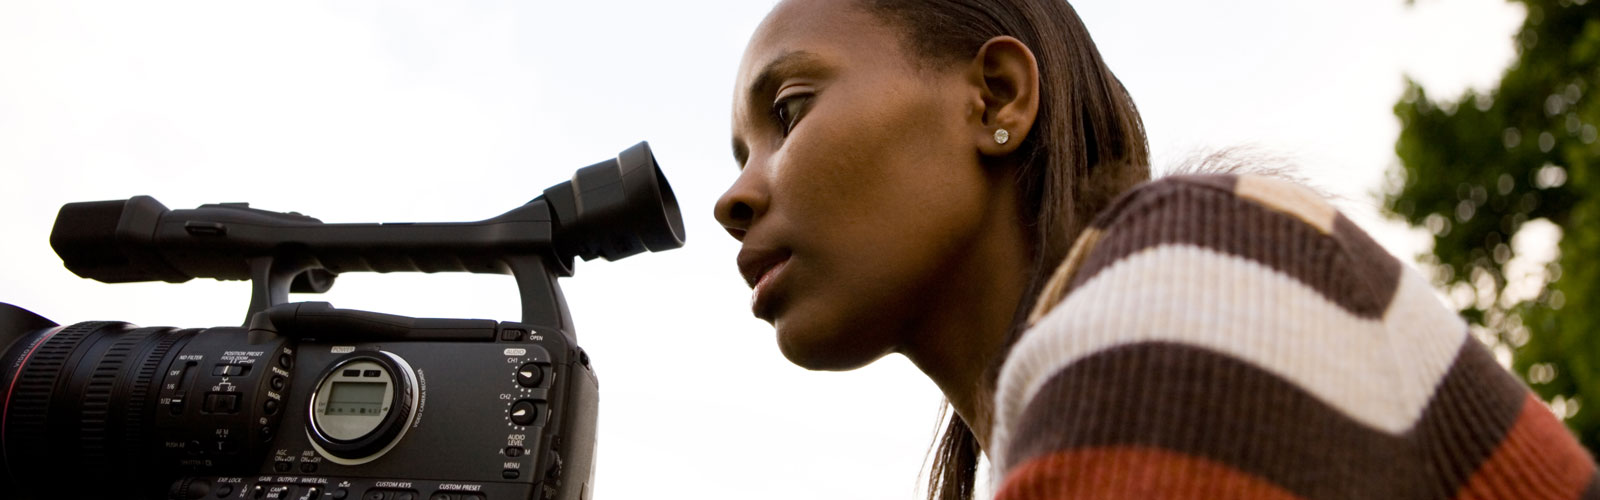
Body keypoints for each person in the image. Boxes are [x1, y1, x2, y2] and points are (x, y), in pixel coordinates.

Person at [713, 0, 1600, 498]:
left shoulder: (1189, 278)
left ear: (996, 98)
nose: (736, 196)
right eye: (740, 154)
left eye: (788, 112)